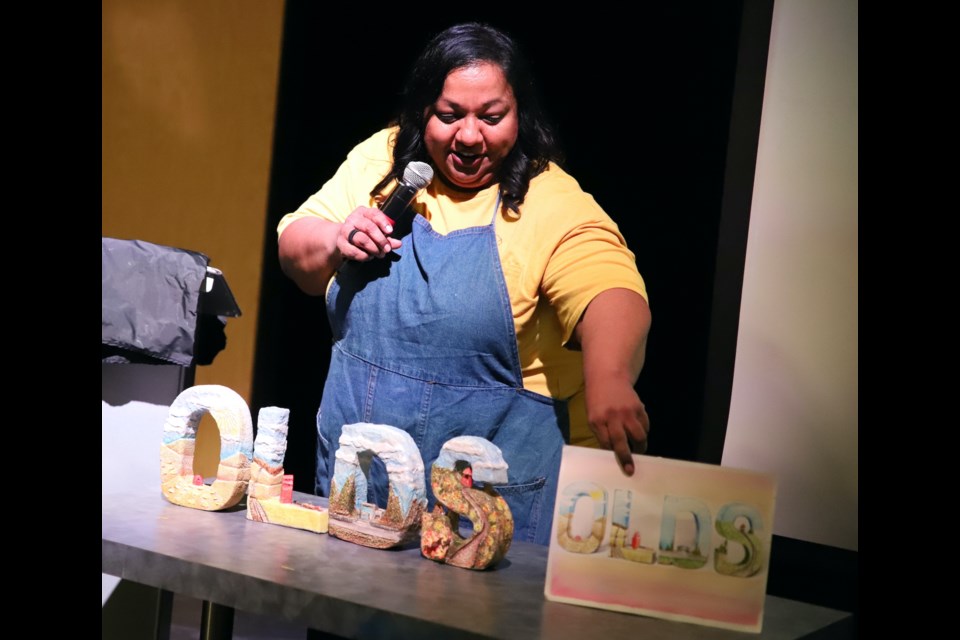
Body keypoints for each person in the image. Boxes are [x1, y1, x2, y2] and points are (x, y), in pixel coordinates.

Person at [278, 23, 651, 545]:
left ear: (521, 114)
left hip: (486, 523)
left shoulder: (551, 200)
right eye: (449, 115)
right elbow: (296, 247)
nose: (470, 137)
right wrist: (337, 237)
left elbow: (611, 289)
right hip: (364, 499)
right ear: (421, 112)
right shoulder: (384, 160)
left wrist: (610, 374)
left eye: (492, 117)